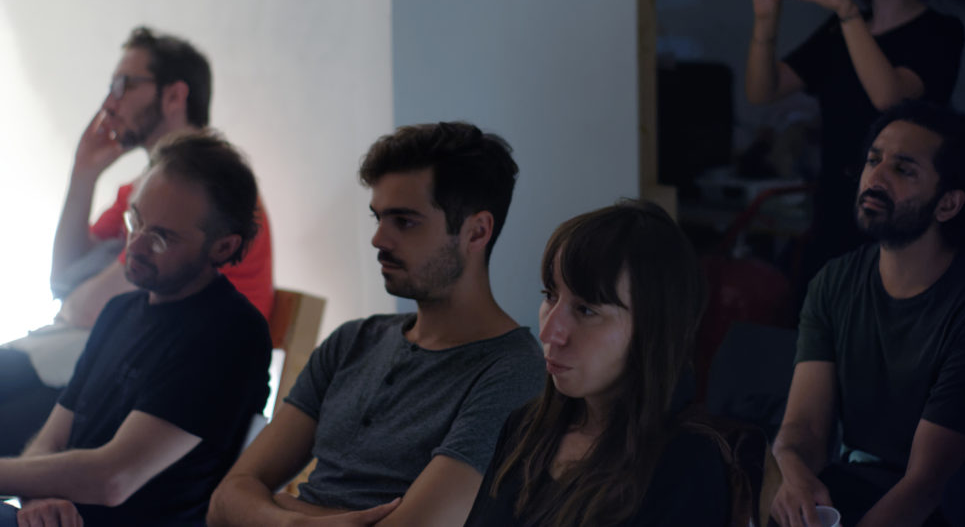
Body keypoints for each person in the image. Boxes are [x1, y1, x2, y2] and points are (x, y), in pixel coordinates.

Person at [207, 121, 545, 527]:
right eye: (379, 218)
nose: (379, 239)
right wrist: (294, 524)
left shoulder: (512, 371)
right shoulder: (352, 341)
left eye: (404, 221)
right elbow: (224, 501)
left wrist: (278, 509)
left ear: (476, 232)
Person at [0, 25, 275, 457]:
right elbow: (64, 280)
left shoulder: (214, 198)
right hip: (109, 358)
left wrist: (74, 303)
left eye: (124, 85)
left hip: (167, 381)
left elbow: (85, 308)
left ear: (174, 96)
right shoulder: (140, 192)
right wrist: (83, 174)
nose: (110, 102)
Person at [770, 101, 965, 527]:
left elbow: (927, 483)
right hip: (860, 483)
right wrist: (791, 470)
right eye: (874, 160)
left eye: (904, 170)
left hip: (955, 508)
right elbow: (806, 429)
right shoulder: (833, 282)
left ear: (947, 204)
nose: (875, 177)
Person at [0, 130, 272, 527]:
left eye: (161, 237)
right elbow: (51, 438)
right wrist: (37, 500)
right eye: (136, 220)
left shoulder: (229, 333)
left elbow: (114, 479)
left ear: (223, 247)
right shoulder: (120, 311)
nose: (136, 245)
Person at [463, 200, 732, 527]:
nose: (549, 332)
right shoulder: (524, 427)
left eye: (586, 310)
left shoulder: (686, 464)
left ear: (652, 329)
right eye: (550, 296)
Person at [745, 0, 965, 276]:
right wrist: (765, 21)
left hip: (901, 215)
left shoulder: (940, 31)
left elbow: (890, 98)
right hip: (835, 206)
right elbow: (763, 90)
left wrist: (846, 10)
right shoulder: (839, 29)